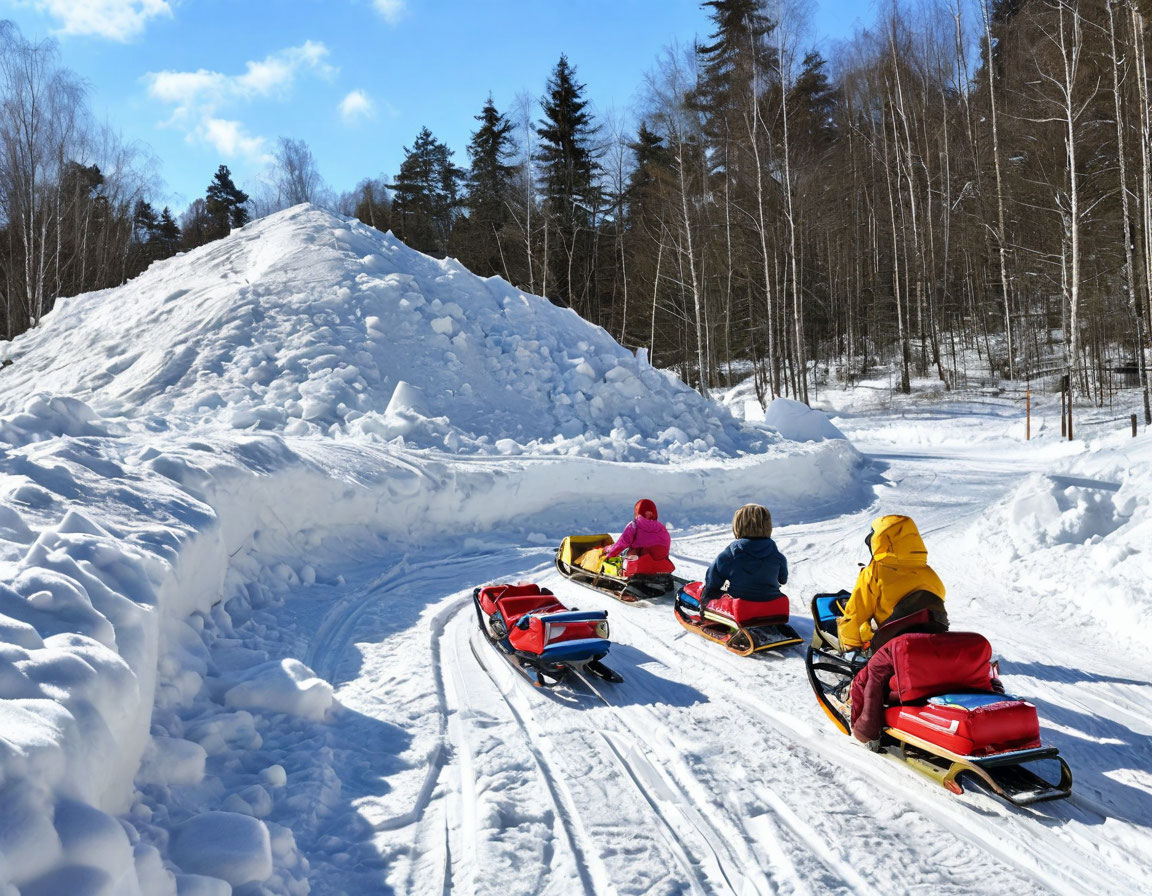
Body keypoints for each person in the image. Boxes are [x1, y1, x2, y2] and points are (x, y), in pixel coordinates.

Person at [838, 514, 947, 652]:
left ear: (879, 540)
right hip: (929, 641)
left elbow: (857, 614)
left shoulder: (874, 572)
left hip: (889, 645)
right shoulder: (929, 574)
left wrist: (850, 646)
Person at [690, 504, 787, 612]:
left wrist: (709, 593)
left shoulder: (731, 553)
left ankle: (705, 613)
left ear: (738, 526)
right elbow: (783, 579)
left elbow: (713, 581)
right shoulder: (777, 554)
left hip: (741, 606)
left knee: (709, 593)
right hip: (771, 603)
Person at [602, 498, 671, 568]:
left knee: (627, 552)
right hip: (660, 565)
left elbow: (621, 544)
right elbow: (666, 547)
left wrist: (609, 556)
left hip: (639, 565)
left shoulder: (634, 526)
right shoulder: (662, 528)